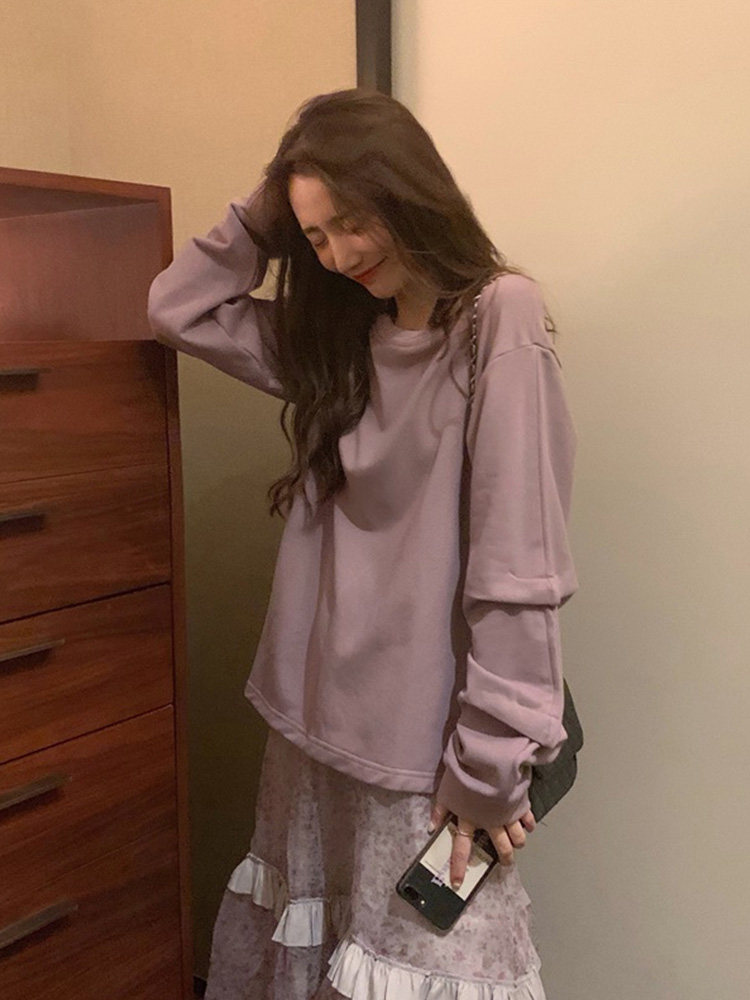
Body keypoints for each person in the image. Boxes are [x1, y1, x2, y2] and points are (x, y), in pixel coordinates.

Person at [147, 86, 579, 1000]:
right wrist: (273, 204)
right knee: (317, 958)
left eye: (351, 220)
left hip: (425, 749)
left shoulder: (497, 317)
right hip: (311, 730)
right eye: (314, 237)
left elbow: (519, 562)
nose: (339, 255)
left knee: (416, 966)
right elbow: (178, 307)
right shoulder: (337, 338)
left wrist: (492, 762)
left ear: (406, 188)